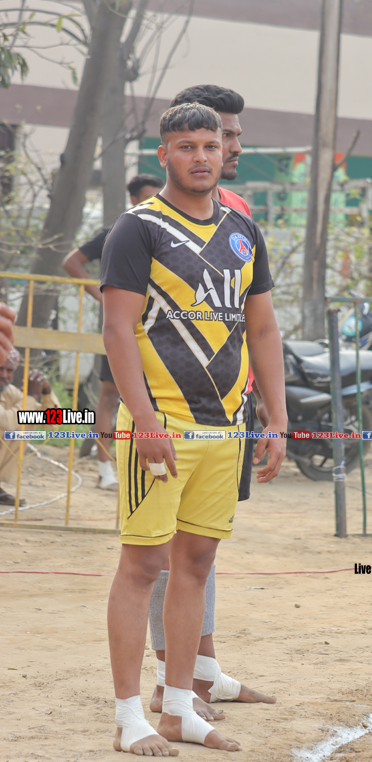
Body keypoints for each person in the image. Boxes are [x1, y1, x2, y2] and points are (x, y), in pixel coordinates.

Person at [101, 102, 287, 755]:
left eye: (210, 145)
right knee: (142, 565)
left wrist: (276, 419)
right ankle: (129, 717)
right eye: (186, 146)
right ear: (164, 155)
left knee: (197, 564)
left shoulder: (243, 230)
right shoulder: (138, 229)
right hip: (159, 429)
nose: (201, 156)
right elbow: (116, 329)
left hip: (225, 429)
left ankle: (180, 708)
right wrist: (146, 421)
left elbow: (262, 328)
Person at [148, 85, 272, 720]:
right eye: (225, 134)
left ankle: (203, 671)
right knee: (165, 551)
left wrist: (267, 403)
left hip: (231, 407)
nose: (232, 146)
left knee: (203, 547)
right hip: (171, 408)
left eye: (230, 137)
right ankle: (168, 683)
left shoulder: (237, 212)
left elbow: (256, 319)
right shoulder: (153, 220)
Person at [62, 174, 164, 489]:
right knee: (110, 395)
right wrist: (104, 297)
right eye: (147, 197)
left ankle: (153, 464)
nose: (154, 202)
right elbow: (72, 262)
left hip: (161, 330)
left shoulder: (169, 231)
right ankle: (105, 469)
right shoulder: (119, 231)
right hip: (123, 326)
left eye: (158, 195)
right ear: (134, 200)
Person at [0, 348, 60, 504]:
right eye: (0, 368)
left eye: (9, 371)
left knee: (25, 420)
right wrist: (31, 397)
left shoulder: (9, 392)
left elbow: (53, 422)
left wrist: (46, 393)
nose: (4, 375)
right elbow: (5, 421)